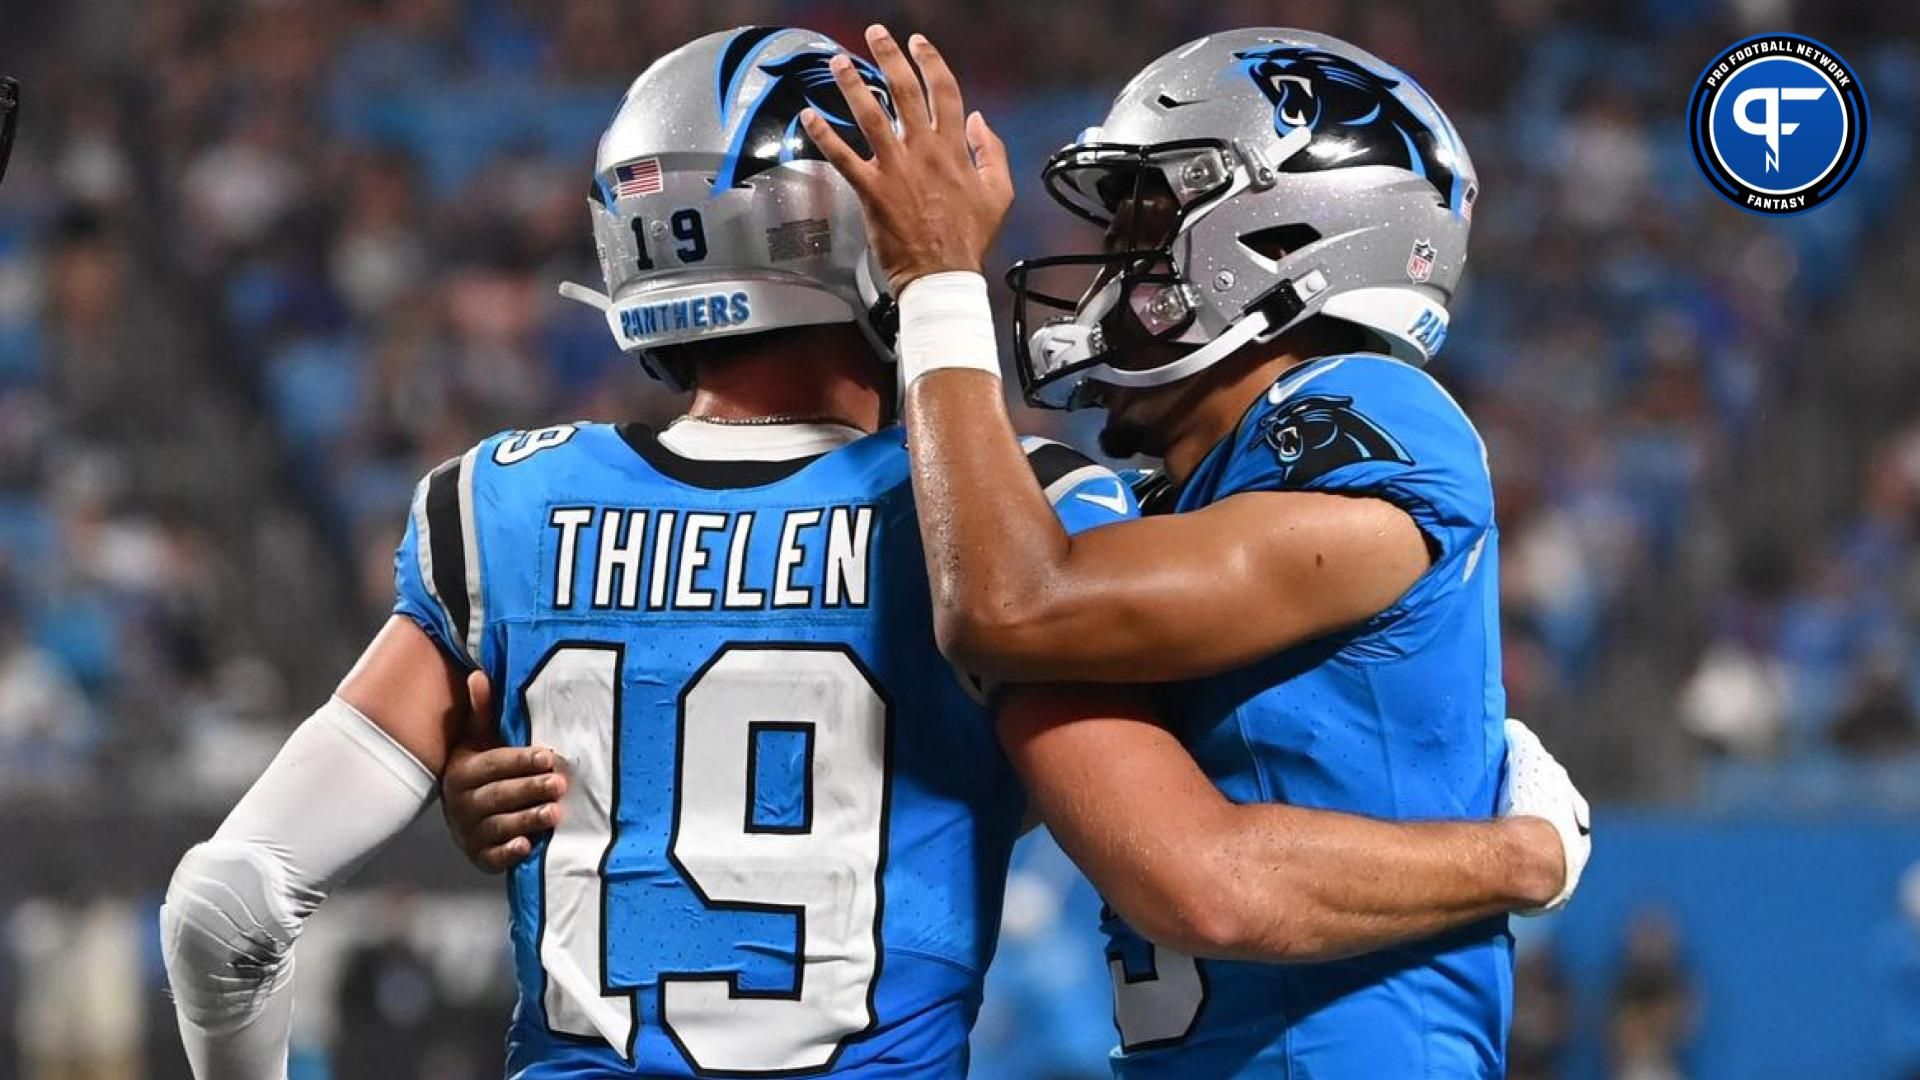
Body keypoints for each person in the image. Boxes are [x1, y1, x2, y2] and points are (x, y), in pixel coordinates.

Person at [160, 26, 1582, 1080]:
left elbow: (227, 905)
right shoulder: (1017, 516)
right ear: (864, 240)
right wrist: (1520, 855)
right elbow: (1134, 808)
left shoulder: (500, 511)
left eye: (1149, 223)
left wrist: (582, 781)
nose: (1107, 263)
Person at [796, 23, 1579, 1077]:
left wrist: (939, 284)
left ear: (1283, 235)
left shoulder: (1367, 410)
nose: (1112, 270)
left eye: (1147, 225)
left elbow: (1015, 603)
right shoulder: (1153, 512)